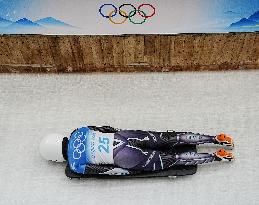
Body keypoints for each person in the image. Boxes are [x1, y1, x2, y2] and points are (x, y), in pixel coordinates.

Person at [39, 126, 234, 175]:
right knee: (168, 138)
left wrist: (130, 171)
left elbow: (107, 171)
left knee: (171, 159)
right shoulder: (78, 130)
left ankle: (217, 157)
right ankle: (215, 139)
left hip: (123, 157)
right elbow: (106, 129)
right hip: (124, 136)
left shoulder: (75, 166)